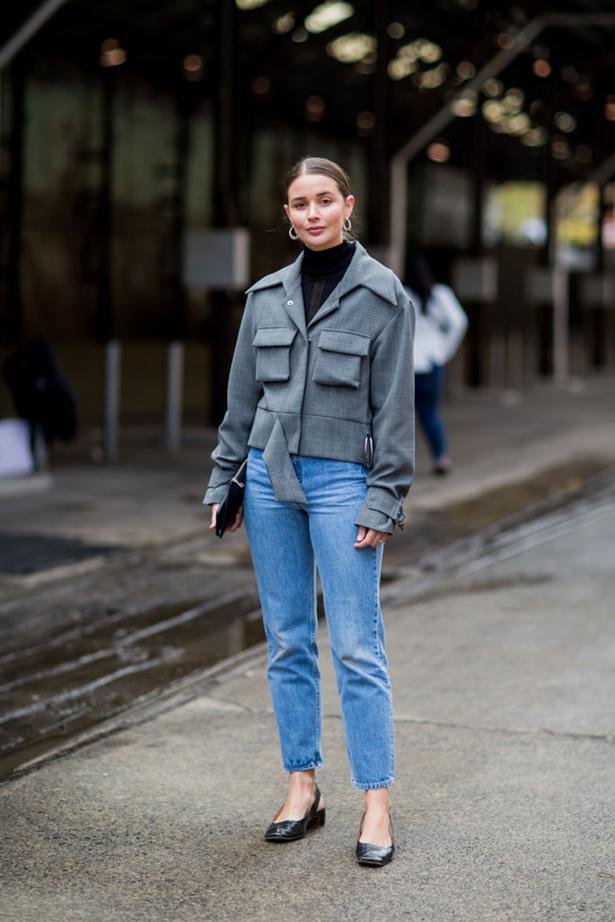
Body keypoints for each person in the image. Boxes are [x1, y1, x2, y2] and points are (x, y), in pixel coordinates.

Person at [204, 157, 415, 866]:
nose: (313, 212)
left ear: (347, 205)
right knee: (288, 639)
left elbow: (394, 411)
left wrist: (384, 496)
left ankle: (375, 802)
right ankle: (302, 786)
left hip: (342, 484)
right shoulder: (264, 297)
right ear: (288, 214)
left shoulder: (384, 297)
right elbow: (240, 403)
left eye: (325, 199)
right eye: (300, 202)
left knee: (356, 645)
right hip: (267, 480)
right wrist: (223, 481)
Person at [405, 255, 467, 475]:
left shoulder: (403, 294)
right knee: (430, 413)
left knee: (403, 416)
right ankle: (440, 457)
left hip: (407, 364)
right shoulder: (440, 295)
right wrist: (444, 350)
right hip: (432, 361)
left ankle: (401, 463)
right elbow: (459, 323)